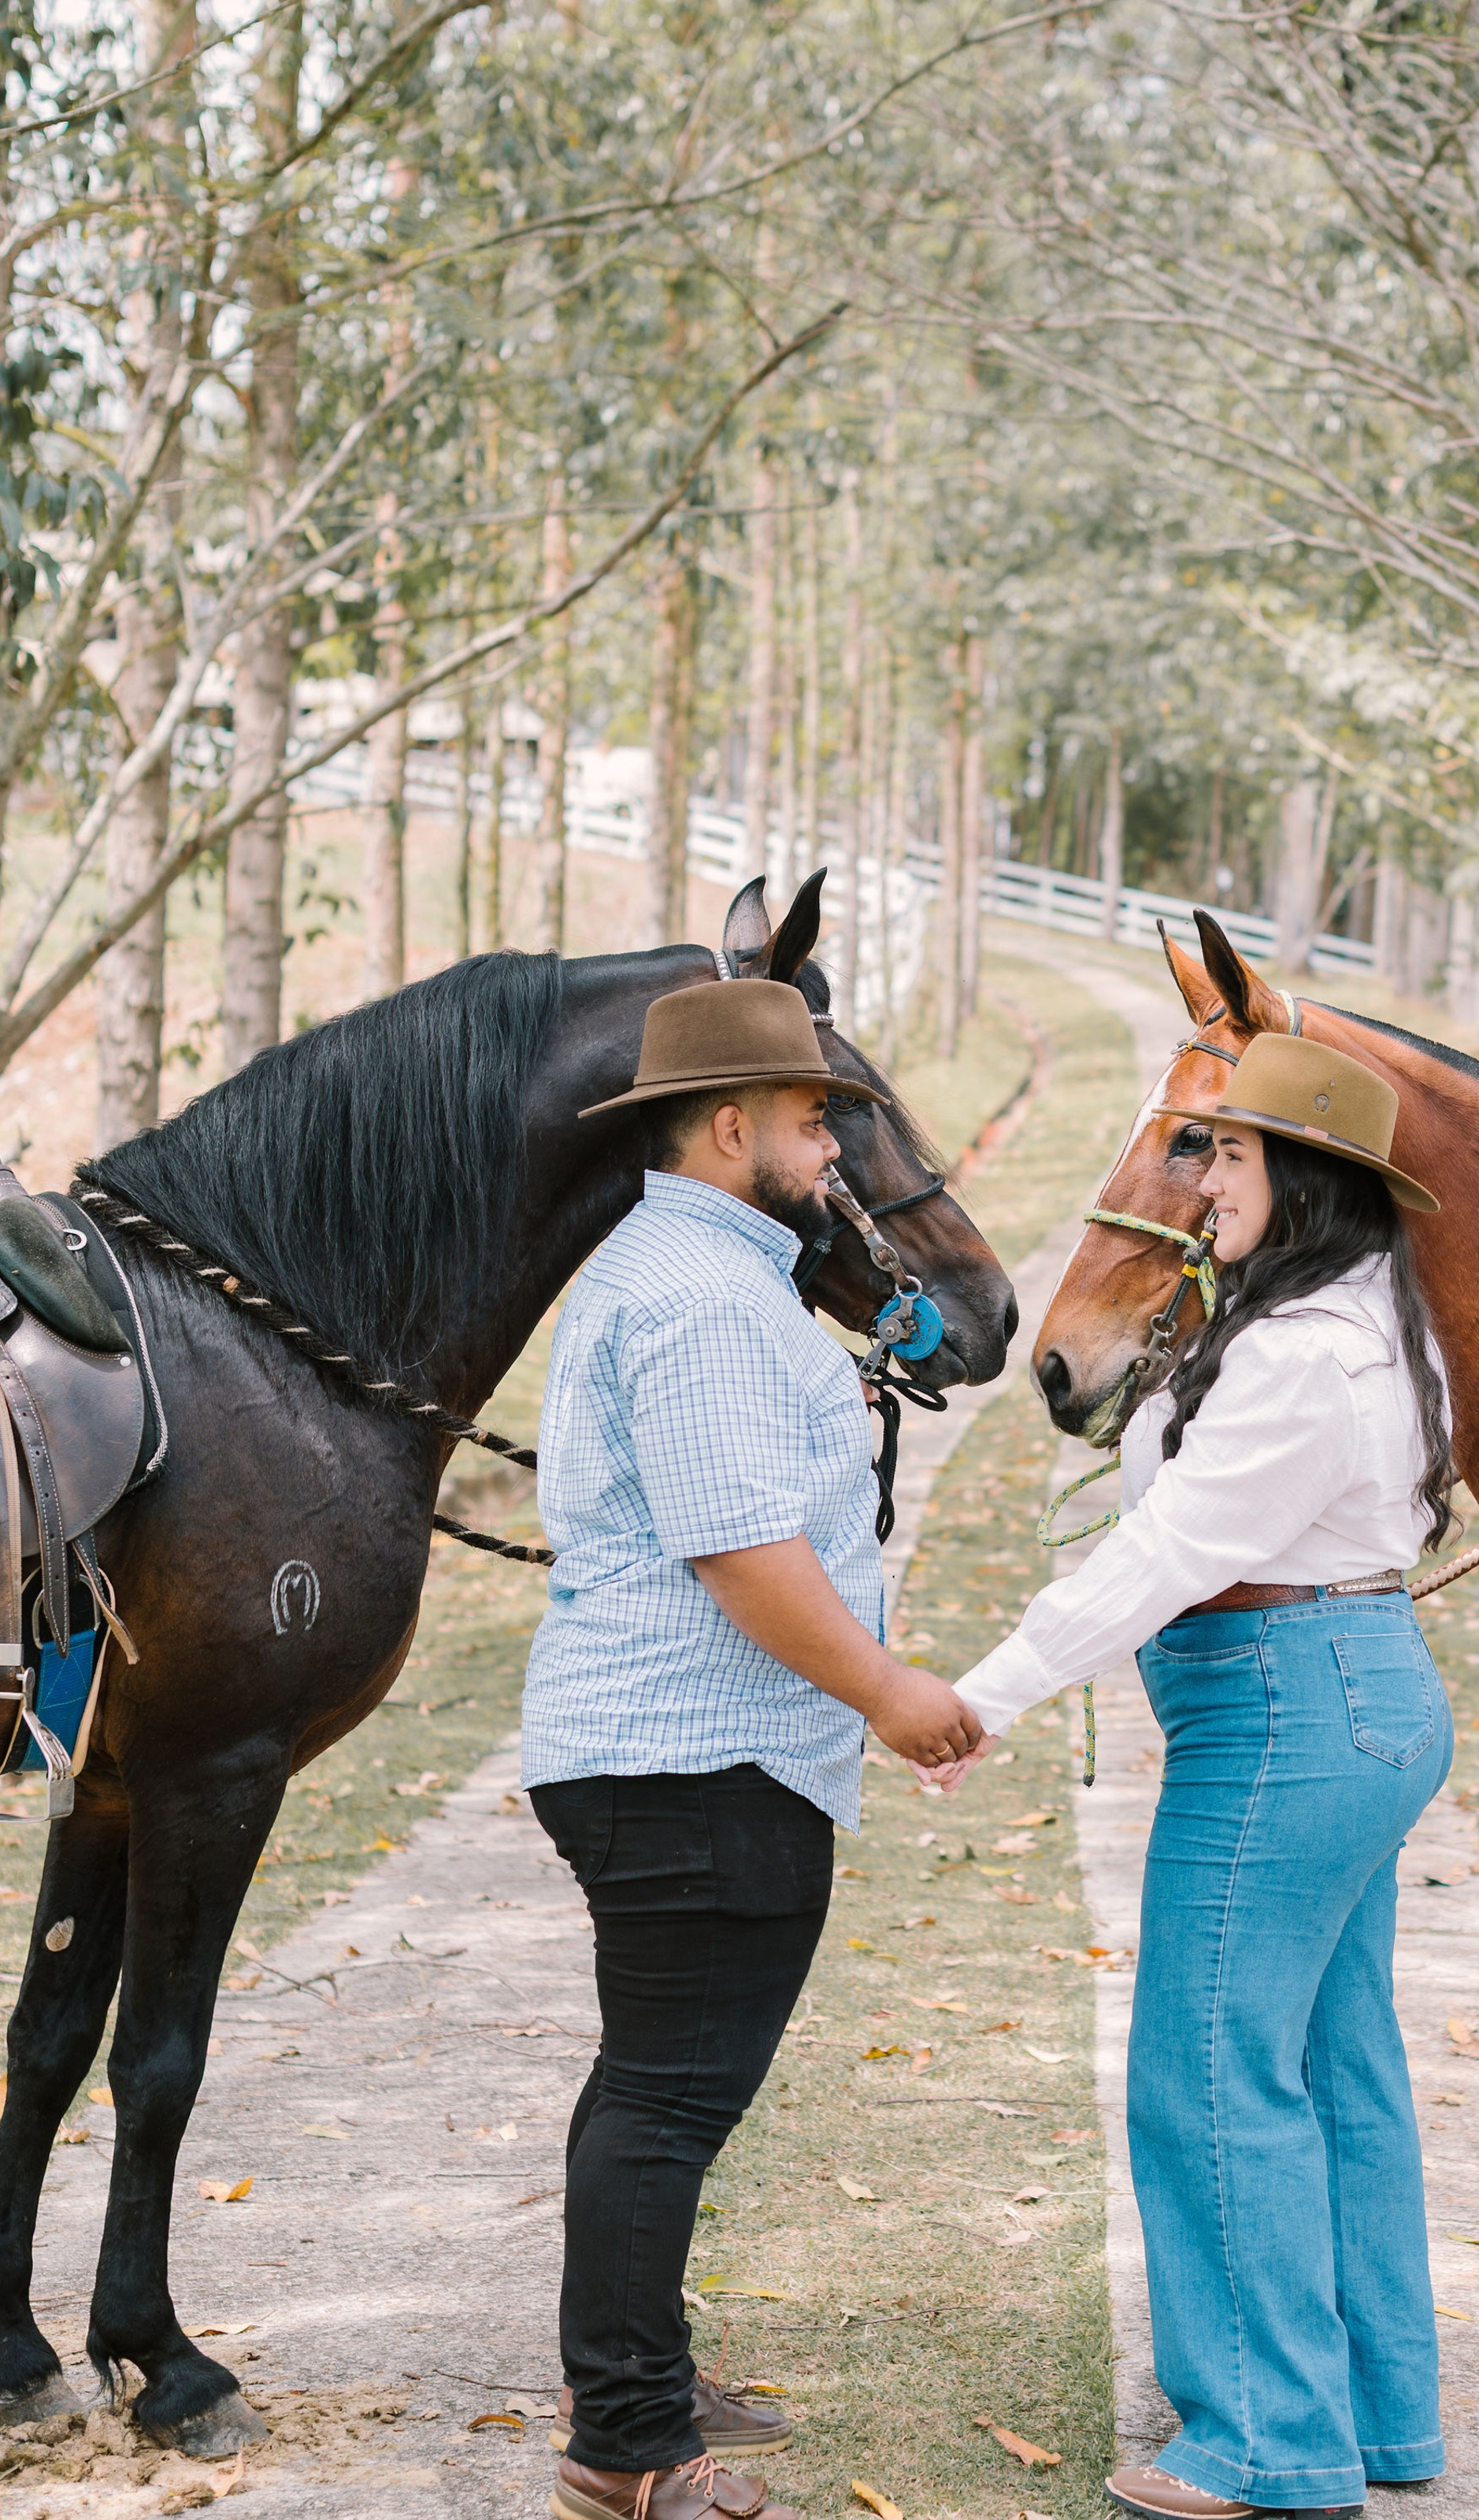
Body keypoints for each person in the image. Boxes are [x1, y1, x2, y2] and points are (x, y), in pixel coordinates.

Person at [926, 1033, 1455, 2520]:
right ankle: (1371, 2411)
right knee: (1336, 2071)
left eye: (1229, 1154)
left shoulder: (1298, 1358)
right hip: (1345, 1699)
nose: (1202, 1179)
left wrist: (981, 1695)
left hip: (1285, 1718)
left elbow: (1162, 1553)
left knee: (1211, 2072)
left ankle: (1265, 2442)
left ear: (1310, 1182)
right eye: (1204, 1150)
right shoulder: (1360, 1318)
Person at [523, 977, 984, 2520]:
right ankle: (631, 2443)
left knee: (652, 2087)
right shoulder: (704, 1298)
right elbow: (740, 1549)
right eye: (809, 1122)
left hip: (681, 1751)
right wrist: (886, 1689)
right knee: (664, 2096)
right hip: (692, 1757)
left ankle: (630, 2372)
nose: (829, 1153)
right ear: (732, 1127)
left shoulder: (698, 1270)